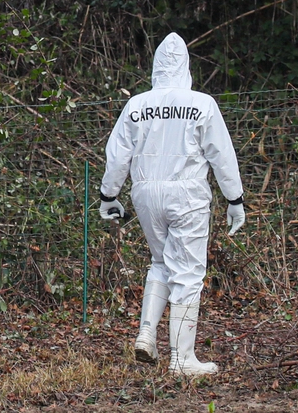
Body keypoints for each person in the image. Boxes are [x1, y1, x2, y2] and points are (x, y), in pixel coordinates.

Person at [99, 33, 246, 376]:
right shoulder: (201, 103)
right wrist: (234, 198)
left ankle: (146, 333)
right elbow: (221, 155)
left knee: (160, 261)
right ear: (186, 66)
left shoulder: (137, 104)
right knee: (189, 271)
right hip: (187, 192)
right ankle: (182, 359)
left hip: (146, 191)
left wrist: (109, 195)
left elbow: (118, 154)